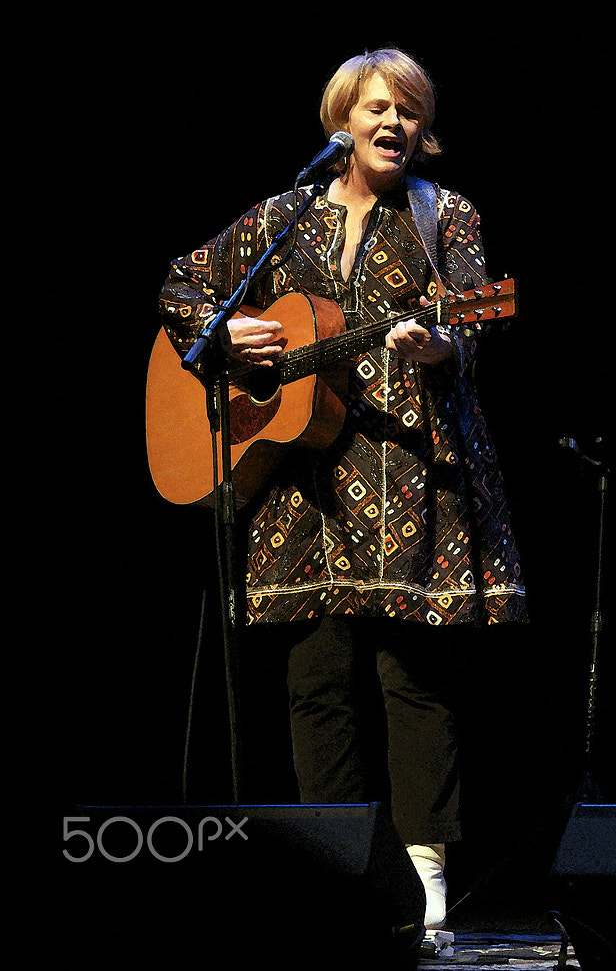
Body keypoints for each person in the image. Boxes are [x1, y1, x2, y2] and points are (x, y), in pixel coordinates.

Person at [158, 49, 526, 957]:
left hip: (412, 469)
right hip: (300, 482)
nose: (394, 124)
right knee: (316, 681)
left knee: (411, 677)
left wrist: (443, 347)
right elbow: (183, 283)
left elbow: (468, 326)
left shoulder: (448, 217)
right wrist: (228, 336)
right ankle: (337, 868)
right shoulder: (287, 216)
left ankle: (424, 873)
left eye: (408, 110)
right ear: (342, 124)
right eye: (377, 110)